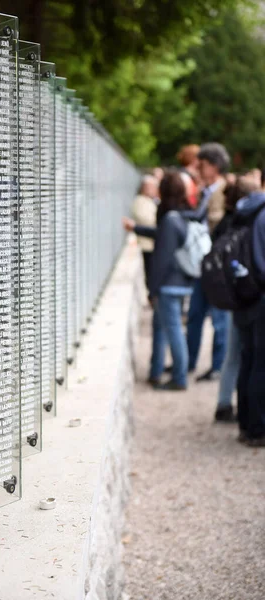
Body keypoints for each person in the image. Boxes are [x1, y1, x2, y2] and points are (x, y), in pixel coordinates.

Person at [124, 170, 194, 391]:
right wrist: (135, 228)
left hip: (168, 284)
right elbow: (159, 234)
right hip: (179, 281)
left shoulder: (170, 220)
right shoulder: (180, 215)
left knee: (172, 330)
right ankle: (156, 371)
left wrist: (152, 289)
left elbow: (162, 259)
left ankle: (180, 377)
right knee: (162, 327)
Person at [213, 179, 257, 423]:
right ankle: (248, 412)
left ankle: (224, 403)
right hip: (249, 294)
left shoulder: (226, 223)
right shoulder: (250, 222)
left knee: (233, 355)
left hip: (233, 294)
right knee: (250, 356)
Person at [186, 143, 230, 382]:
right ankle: (189, 361)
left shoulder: (223, 192)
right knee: (194, 314)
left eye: (201, 165)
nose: (198, 169)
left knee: (219, 320)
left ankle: (217, 367)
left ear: (213, 166)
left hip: (216, 266)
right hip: (202, 263)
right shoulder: (206, 191)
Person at [232, 186, 265, 446]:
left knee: (249, 358)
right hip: (261, 293)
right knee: (260, 363)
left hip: (245, 293)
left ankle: (246, 423)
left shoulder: (246, 209)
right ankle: (258, 428)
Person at [130, 175, 159, 287]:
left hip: (153, 242)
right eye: (152, 187)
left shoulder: (151, 201)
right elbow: (146, 220)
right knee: (150, 272)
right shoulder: (140, 201)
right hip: (147, 243)